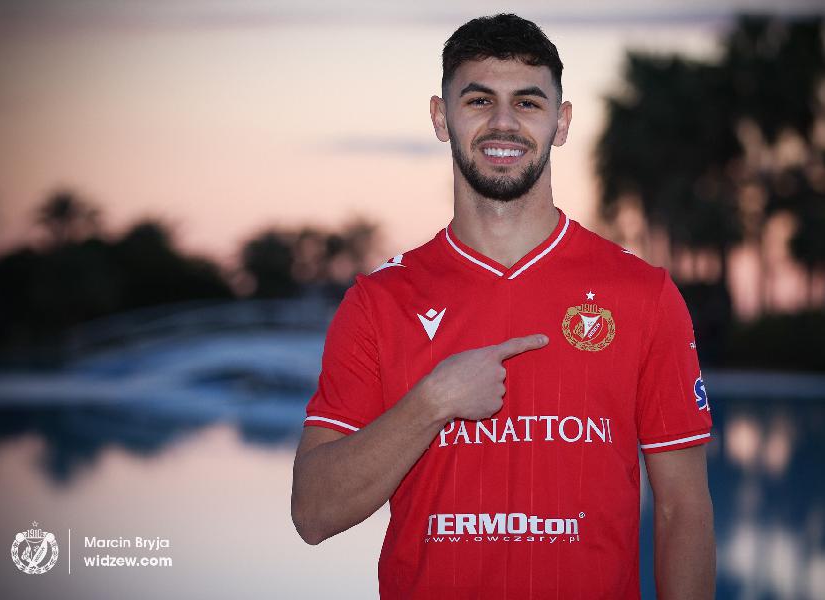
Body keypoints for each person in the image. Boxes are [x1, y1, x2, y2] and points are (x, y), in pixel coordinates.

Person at [291, 13, 715, 599]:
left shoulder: (642, 294)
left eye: (528, 103)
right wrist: (432, 403)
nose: (503, 122)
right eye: (479, 100)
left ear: (561, 123)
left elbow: (682, 510)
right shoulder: (379, 302)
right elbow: (313, 513)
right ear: (440, 117)